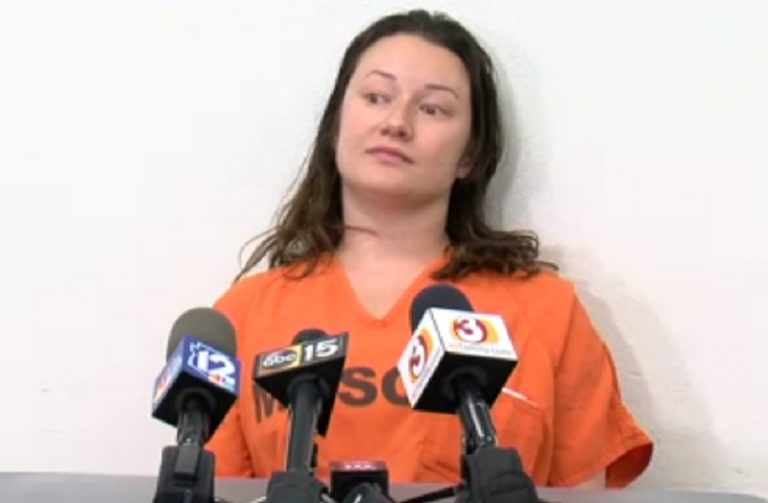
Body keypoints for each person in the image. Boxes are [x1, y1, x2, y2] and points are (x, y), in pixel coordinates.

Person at [206, 9, 652, 488]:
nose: (396, 122)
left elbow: (583, 493)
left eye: (433, 108)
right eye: (376, 97)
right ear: (335, 125)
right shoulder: (243, 318)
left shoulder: (546, 310)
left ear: (470, 155)